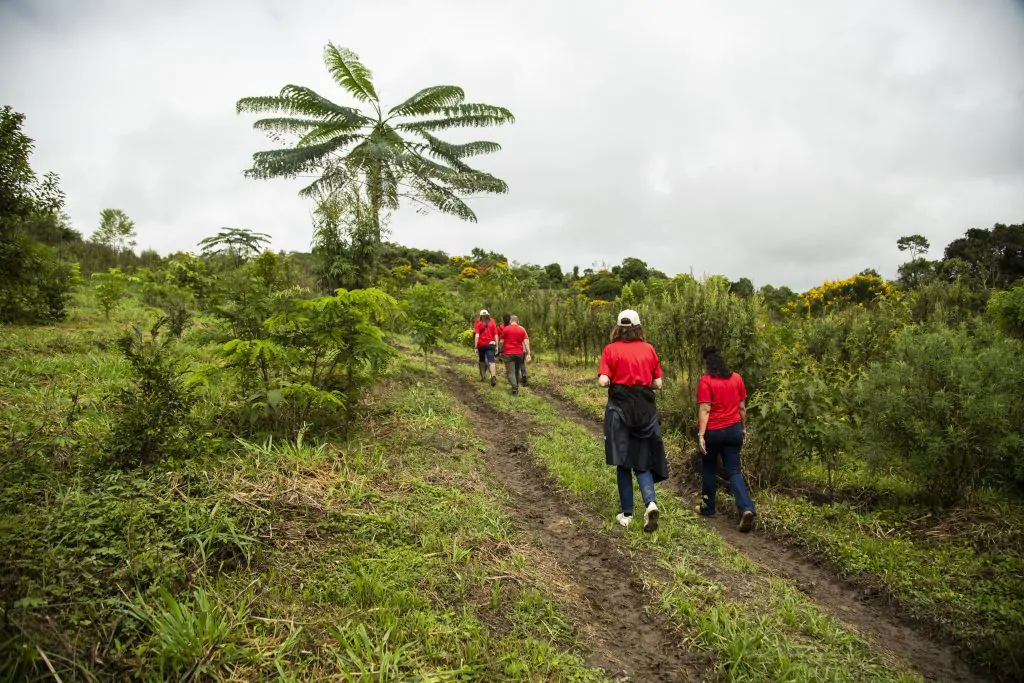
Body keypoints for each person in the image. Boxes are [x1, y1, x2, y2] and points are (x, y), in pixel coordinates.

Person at [598, 309, 667, 532]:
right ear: (638, 327)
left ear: (618, 328)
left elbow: (603, 381)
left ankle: (627, 514)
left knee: (623, 461)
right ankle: (651, 503)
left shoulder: (610, 350)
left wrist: (612, 379)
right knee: (642, 460)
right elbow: (658, 383)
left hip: (619, 410)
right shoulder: (649, 349)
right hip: (645, 411)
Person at [695, 347, 756, 532]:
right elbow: (742, 407)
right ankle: (746, 508)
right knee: (734, 471)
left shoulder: (706, 381)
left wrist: (701, 435)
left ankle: (708, 508)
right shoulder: (736, 378)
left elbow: (705, 409)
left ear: (707, 363)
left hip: (713, 432)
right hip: (734, 429)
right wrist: (743, 428)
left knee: (708, 468)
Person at [498, 315, 531, 396]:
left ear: (510, 321)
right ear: (517, 321)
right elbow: (526, 342)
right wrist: (528, 353)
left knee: (511, 373)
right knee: (517, 371)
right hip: (519, 354)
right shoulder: (522, 329)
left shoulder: (506, 329)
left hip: (508, 354)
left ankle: (515, 388)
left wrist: (499, 351)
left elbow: (501, 342)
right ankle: (516, 387)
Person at [473, 309, 498, 386]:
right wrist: (497, 345)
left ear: (480, 316)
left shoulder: (478, 324)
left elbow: (477, 336)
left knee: (482, 360)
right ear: (488, 315)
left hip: (481, 345)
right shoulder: (492, 322)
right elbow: (496, 334)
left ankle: (483, 376)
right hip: (491, 344)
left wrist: (475, 346)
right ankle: (493, 376)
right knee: (491, 361)